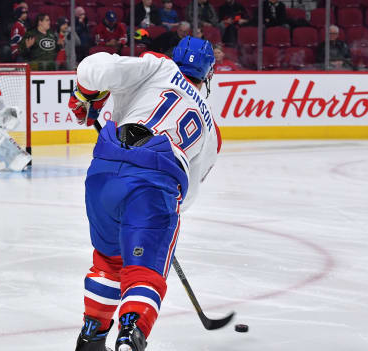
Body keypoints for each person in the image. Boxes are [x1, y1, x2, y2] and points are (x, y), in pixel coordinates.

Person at [68, 35, 220, 351]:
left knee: (109, 263)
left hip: (105, 170)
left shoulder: (157, 66)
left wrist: (88, 97)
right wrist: (158, 214)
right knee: (143, 271)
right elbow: (187, 193)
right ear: (209, 75)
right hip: (156, 182)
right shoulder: (211, 130)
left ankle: (91, 342)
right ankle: (130, 337)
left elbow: (92, 67)